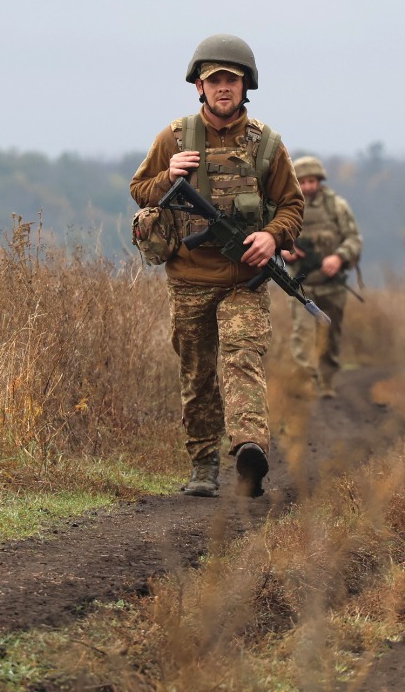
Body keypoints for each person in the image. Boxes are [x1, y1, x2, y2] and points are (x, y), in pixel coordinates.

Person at [129, 34, 305, 498]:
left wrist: (272, 235)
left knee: (242, 358)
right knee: (197, 371)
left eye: (231, 79)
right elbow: (140, 189)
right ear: (199, 88)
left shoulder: (266, 145)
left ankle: (249, 449)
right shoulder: (174, 137)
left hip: (244, 280)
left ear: (246, 86)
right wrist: (170, 177)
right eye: (214, 80)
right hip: (189, 279)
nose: (223, 87)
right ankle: (203, 464)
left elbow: (291, 206)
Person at [280, 156, 362, 399]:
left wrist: (338, 257)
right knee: (302, 335)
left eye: (312, 181)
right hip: (300, 284)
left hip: (332, 285)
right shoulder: (287, 208)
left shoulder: (337, 207)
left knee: (330, 335)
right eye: (302, 182)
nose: (307, 187)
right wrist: (285, 250)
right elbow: (273, 237)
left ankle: (326, 380)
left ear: (320, 181)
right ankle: (306, 382)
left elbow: (354, 239)